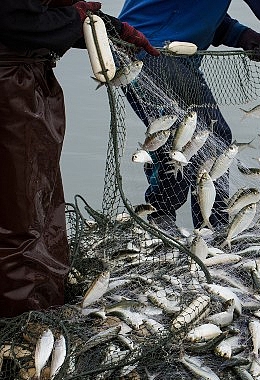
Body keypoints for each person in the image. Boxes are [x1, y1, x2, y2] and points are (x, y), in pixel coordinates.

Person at [118, 0, 260, 234]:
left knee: (194, 138)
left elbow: (189, 8)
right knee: (200, 139)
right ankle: (195, 227)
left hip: (149, 50)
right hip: (154, 53)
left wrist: (238, 34)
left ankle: (182, 223)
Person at [0, 0, 158, 318]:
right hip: (11, 89)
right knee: (22, 213)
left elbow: (39, 16)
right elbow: (14, 22)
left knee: (36, 202)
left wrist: (112, 27)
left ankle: (40, 303)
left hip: (26, 80)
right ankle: (23, 319)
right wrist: (75, 18)